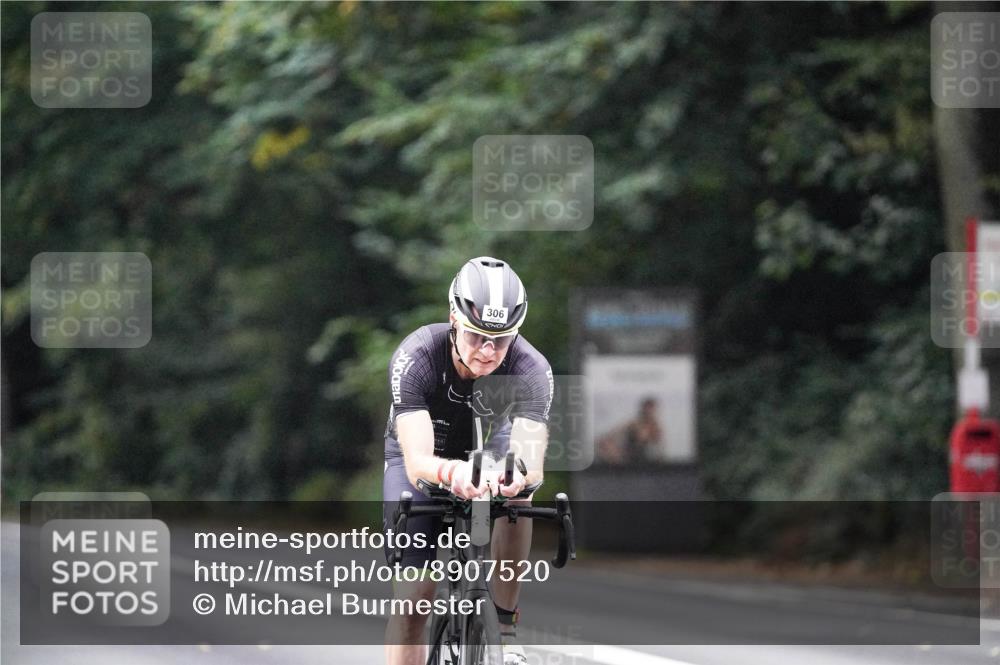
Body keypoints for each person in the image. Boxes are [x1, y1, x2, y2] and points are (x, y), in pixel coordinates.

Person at [382, 256, 553, 665]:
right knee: (413, 602)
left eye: (502, 339)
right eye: (478, 336)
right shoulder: (418, 355)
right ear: (454, 320)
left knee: (521, 495)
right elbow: (419, 459)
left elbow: (531, 456)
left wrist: (517, 476)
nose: (489, 351)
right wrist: (453, 472)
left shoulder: (532, 368)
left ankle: (505, 626)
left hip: (489, 450)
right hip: (425, 460)